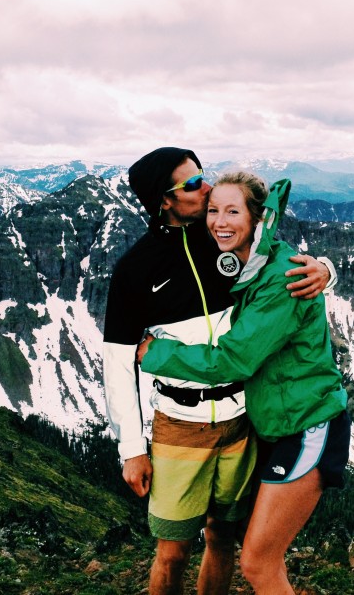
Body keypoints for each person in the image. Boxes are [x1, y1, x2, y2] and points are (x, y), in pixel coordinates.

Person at [103, 148, 336, 595]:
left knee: (222, 538)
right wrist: (131, 448)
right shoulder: (135, 269)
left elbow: (280, 257)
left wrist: (326, 269)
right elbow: (117, 359)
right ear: (163, 200)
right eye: (191, 185)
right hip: (179, 426)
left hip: (240, 422)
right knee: (172, 552)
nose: (206, 189)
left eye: (202, 177)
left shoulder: (223, 236)